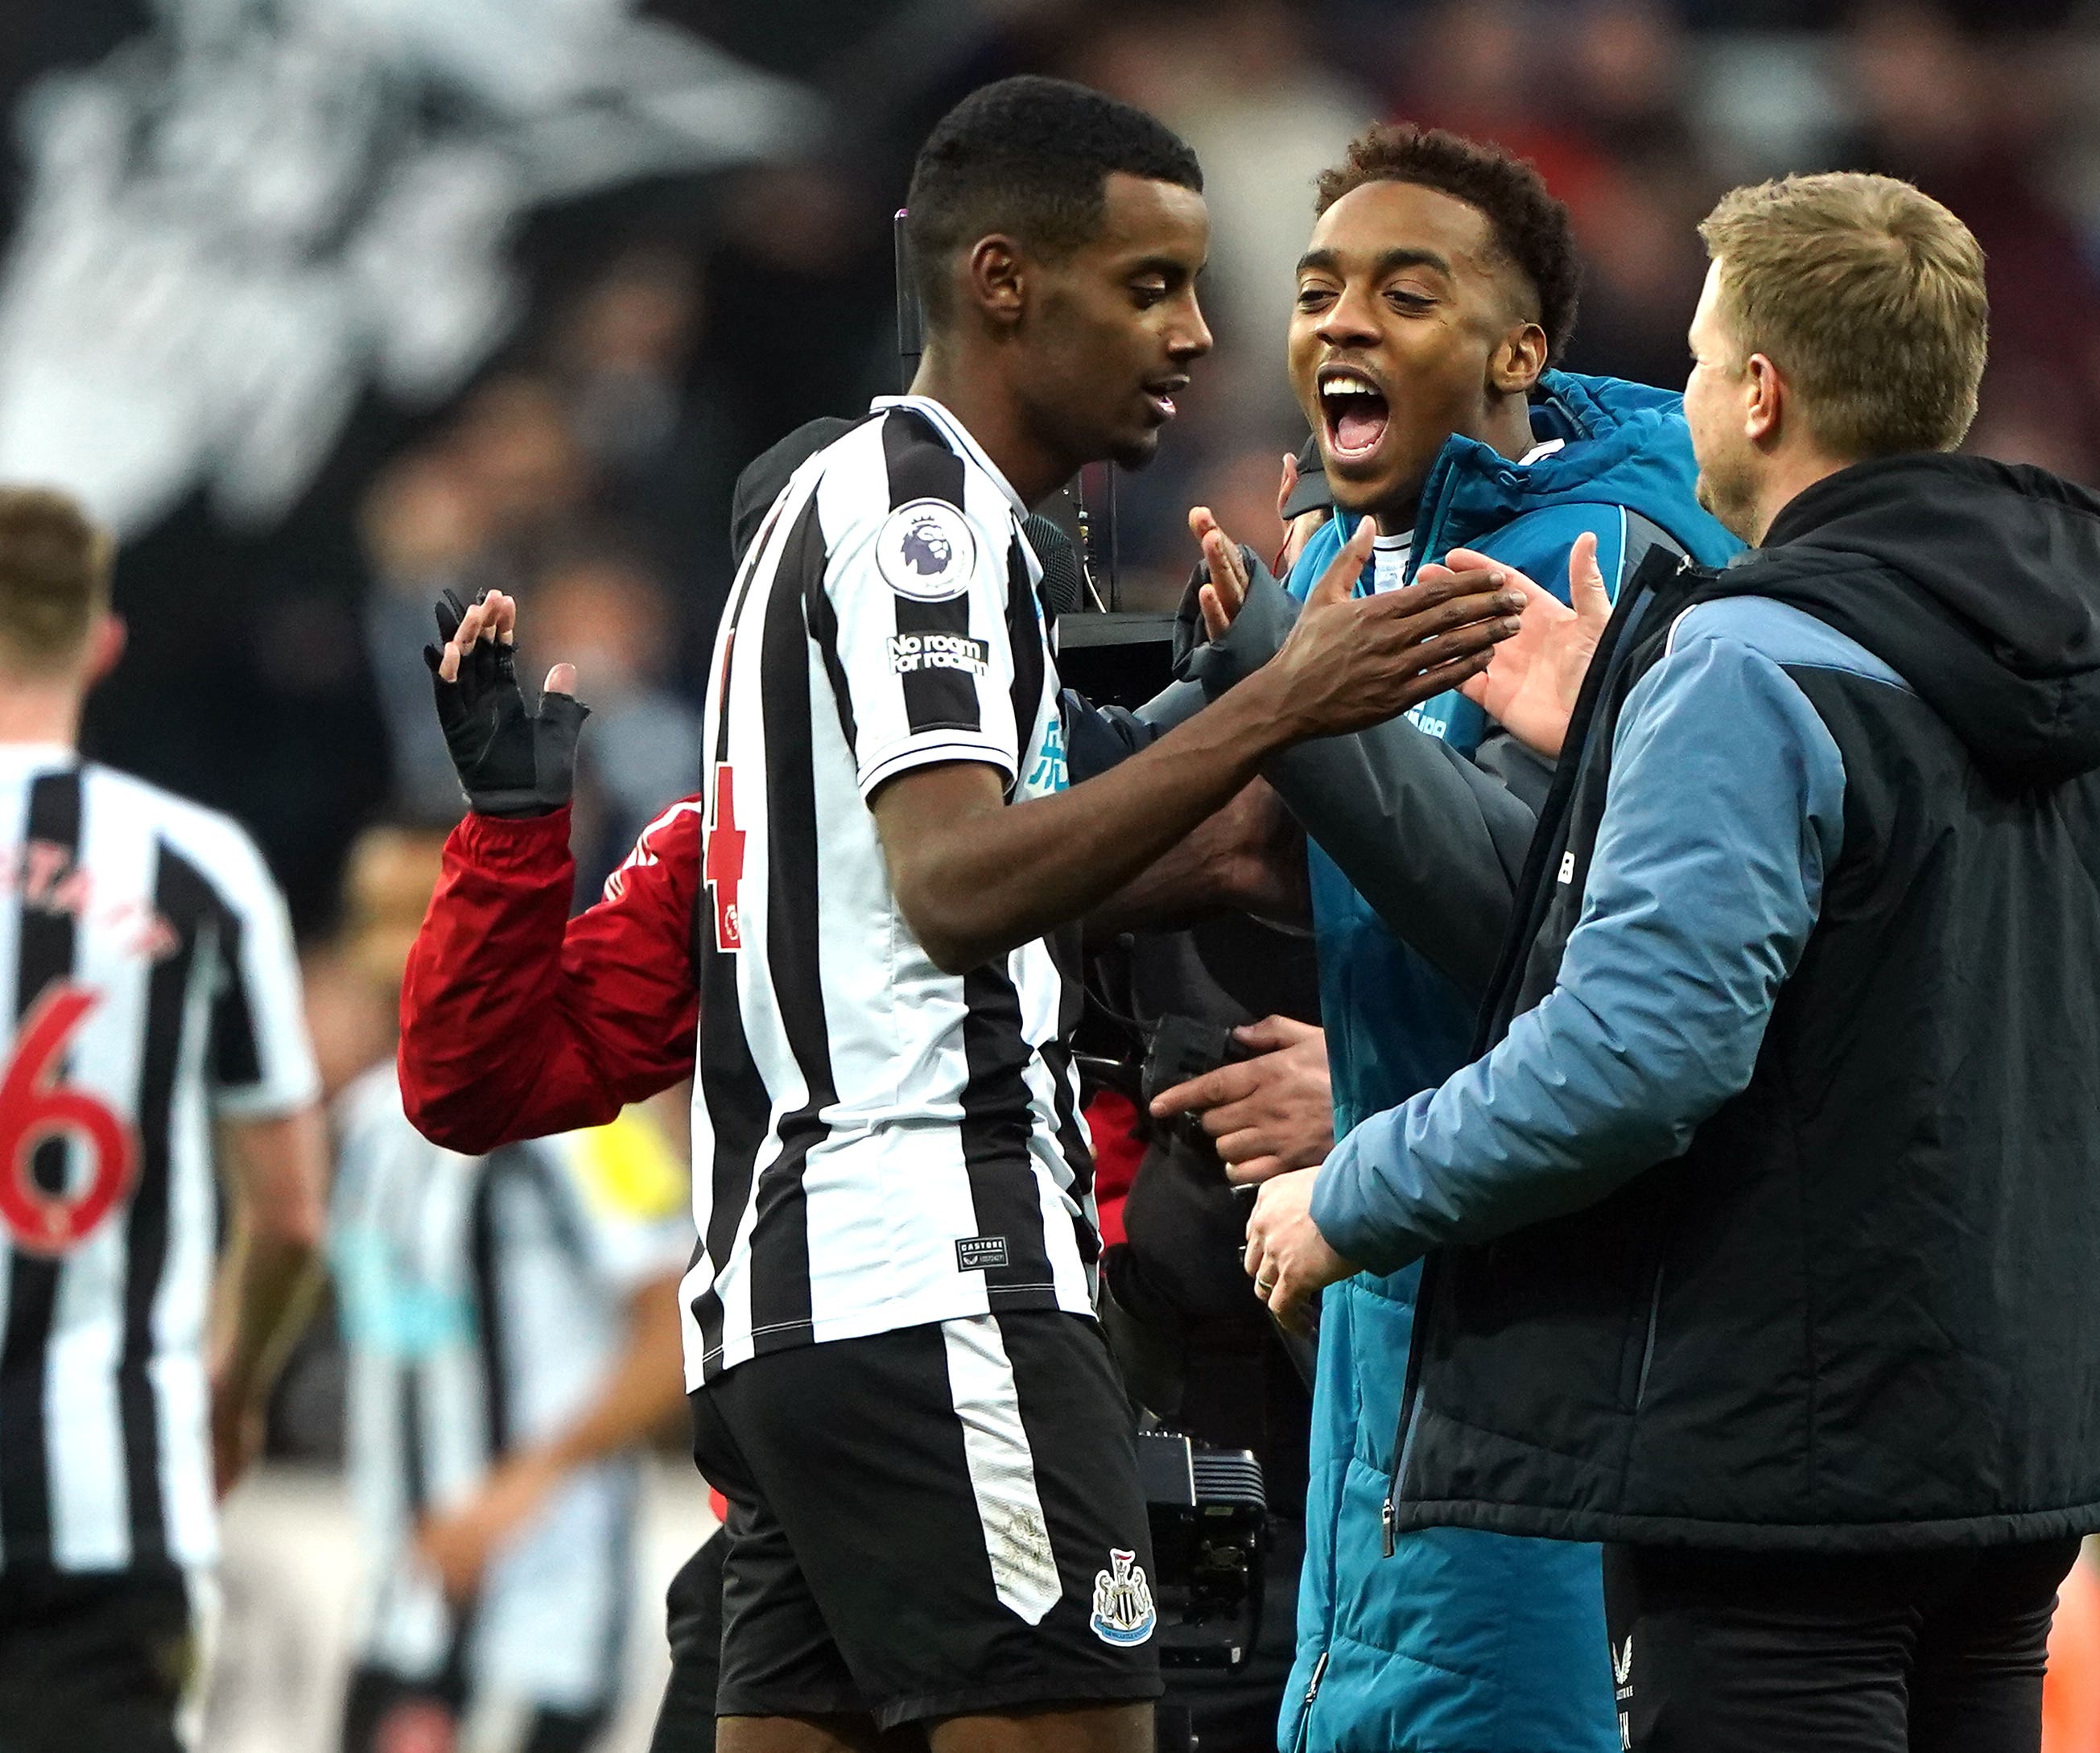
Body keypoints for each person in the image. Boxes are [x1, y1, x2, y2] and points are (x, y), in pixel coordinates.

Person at [417, 76, 1520, 1753]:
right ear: (1002, 281)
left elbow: (1085, 867)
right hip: (945, 1286)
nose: (1195, 338)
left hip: (789, 1323)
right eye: (1150, 286)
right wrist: (1288, 697)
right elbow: (951, 888)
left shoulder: (839, 516)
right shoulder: (925, 518)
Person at [1244, 170, 2100, 1751]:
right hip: (2005, 1454)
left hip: (1786, 1468)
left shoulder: (1742, 660)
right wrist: (1620, 730)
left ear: (1760, 391)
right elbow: (1887, 986)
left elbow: (1633, 1060)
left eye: (1700, 355)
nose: (1677, 392)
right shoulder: (2045, 652)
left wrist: (1349, 1195)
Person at [1171, 123, 1743, 1753]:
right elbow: (1310, 860)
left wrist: (1288, 694)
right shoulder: (1372, 544)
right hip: (1394, 1297)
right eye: (1318, 289)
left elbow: (1523, 924)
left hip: (1547, 1334)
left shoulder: (1607, 556)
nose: (1341, 324)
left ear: (1516, 350)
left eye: (1401, 295)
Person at [0, 486, 328, 1753]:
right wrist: (231, 1386)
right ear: (100, 644)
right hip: (111, 1495)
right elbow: (292, 1211)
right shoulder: (194, 865)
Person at [327, 823, 690, 1753]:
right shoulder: (365, 1127)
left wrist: (518, 1488)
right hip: (395, 1607)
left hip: (538, 1622)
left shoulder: (579, 1120)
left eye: (410, 927)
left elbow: (671, 1328)